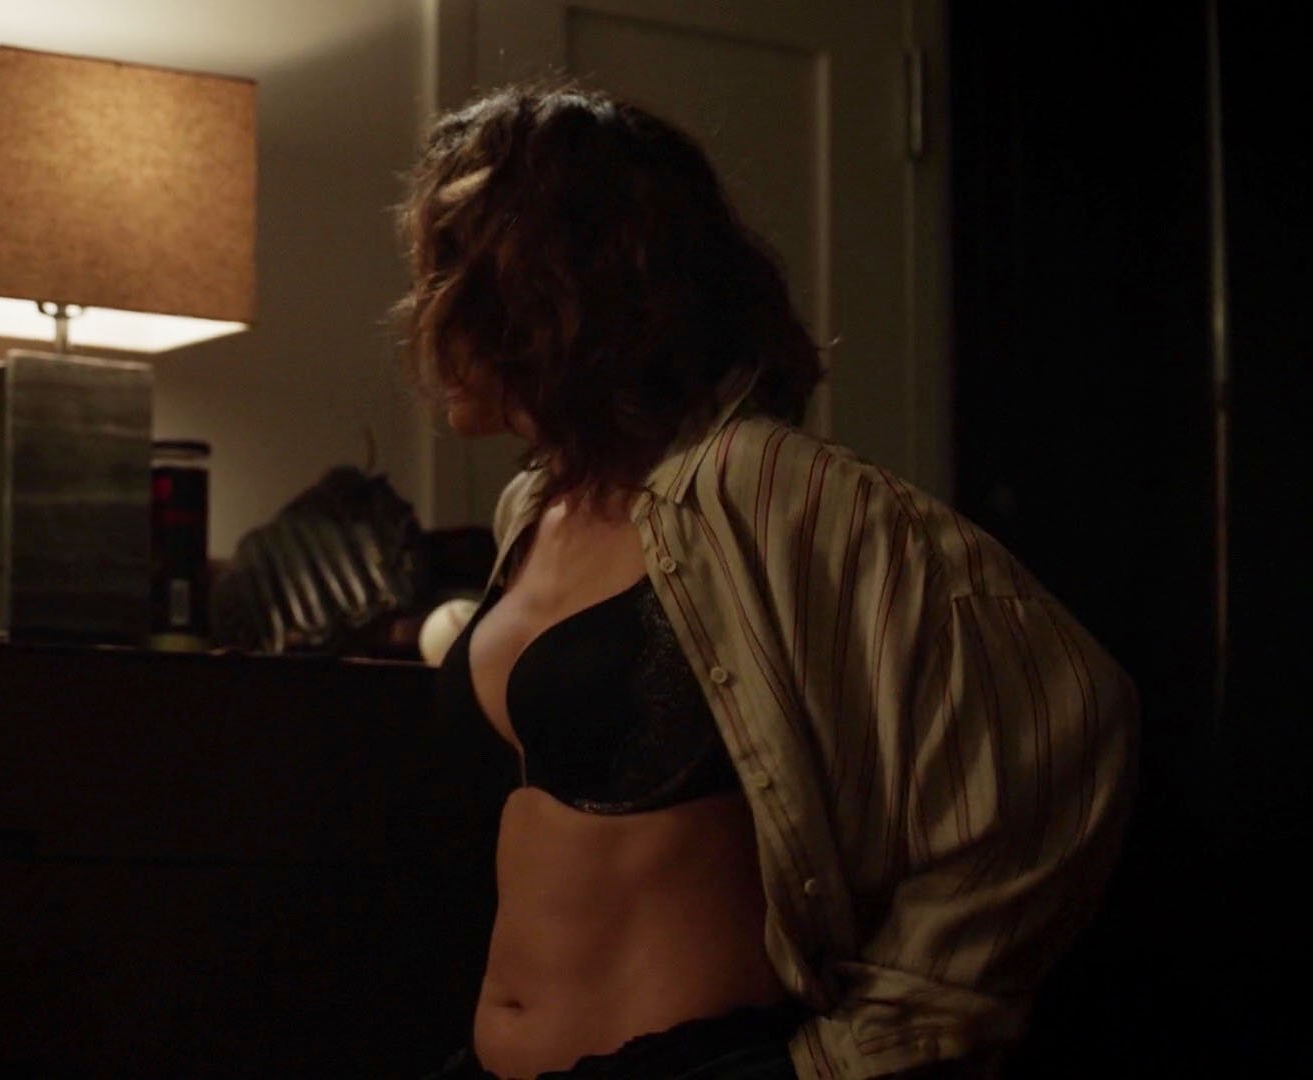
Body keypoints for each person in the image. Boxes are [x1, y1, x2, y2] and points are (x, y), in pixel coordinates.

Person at [394, 82, 1138, 1080]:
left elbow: (1072, 711)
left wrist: (871, 1045)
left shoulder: (762, 487)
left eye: (454, 273)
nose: (428, 312)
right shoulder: (534, 505)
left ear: (551, 291)